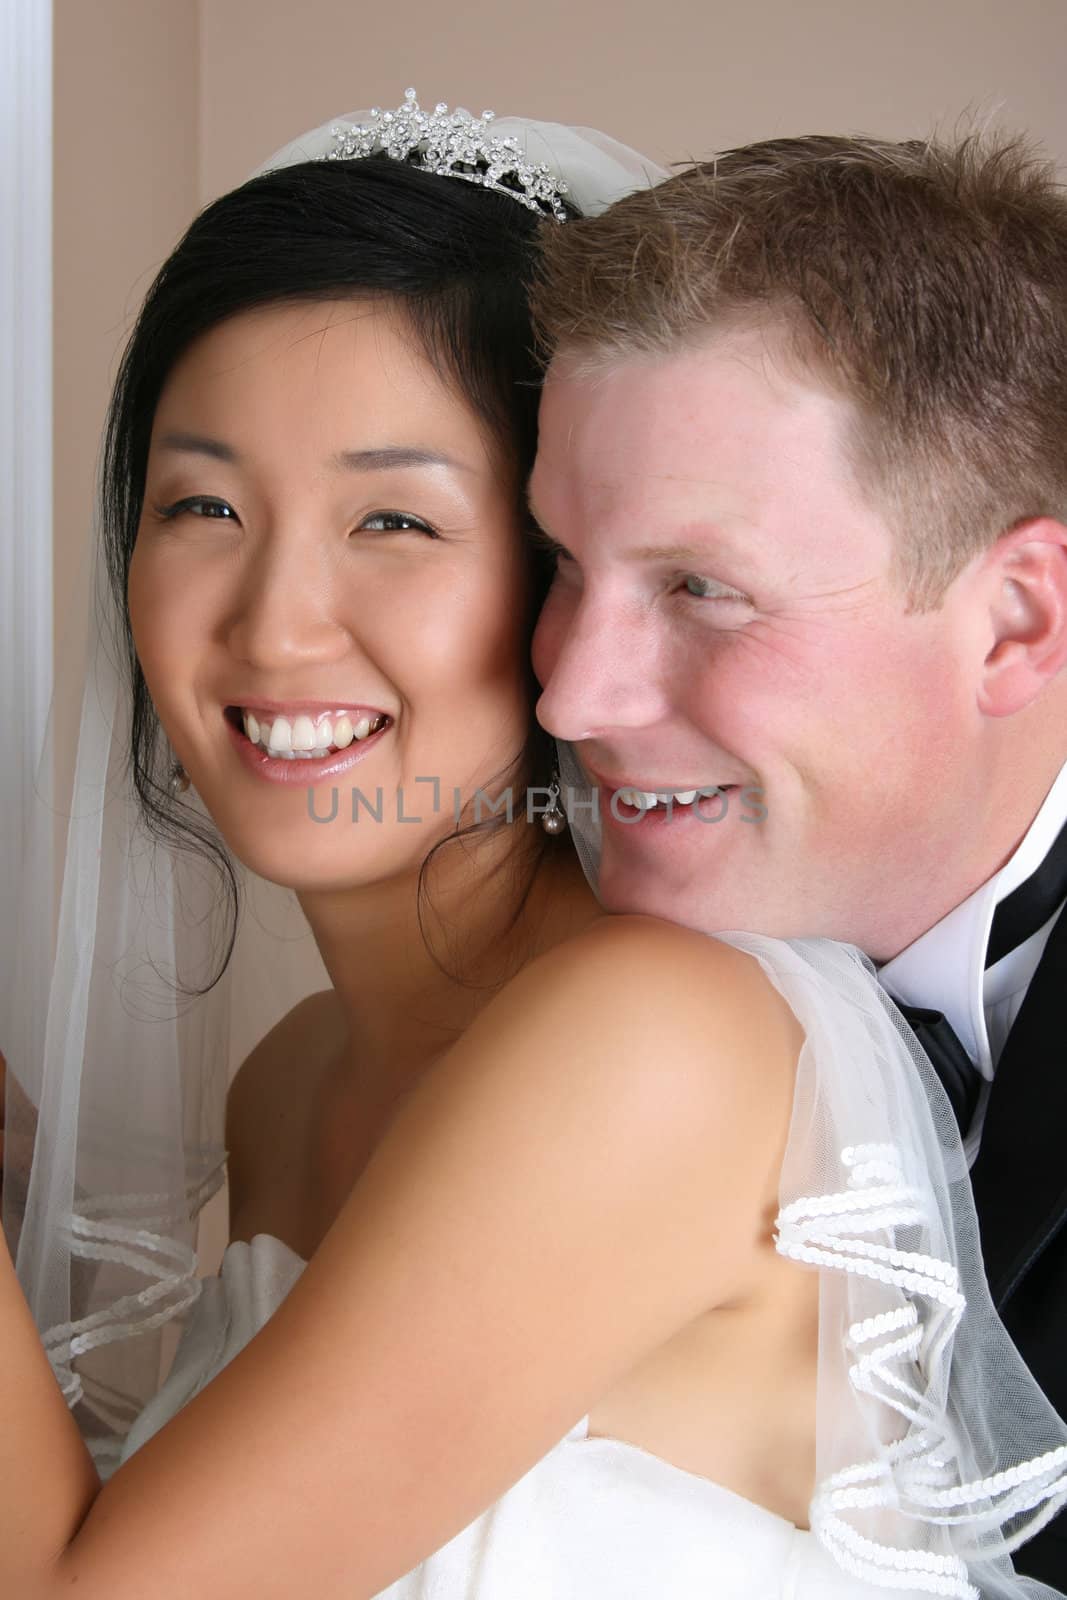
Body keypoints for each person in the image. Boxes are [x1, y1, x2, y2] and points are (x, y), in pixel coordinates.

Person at [0, 101, 1064, 1600]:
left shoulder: (654, 1037)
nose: (273, 624)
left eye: (395, 521)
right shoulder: (287, 1083)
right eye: (203, 505)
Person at [528, 128, 1067, 1589]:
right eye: (563, 568)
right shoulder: (554, 983)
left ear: (1014, 622)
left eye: (702, 589)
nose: (570, 698)